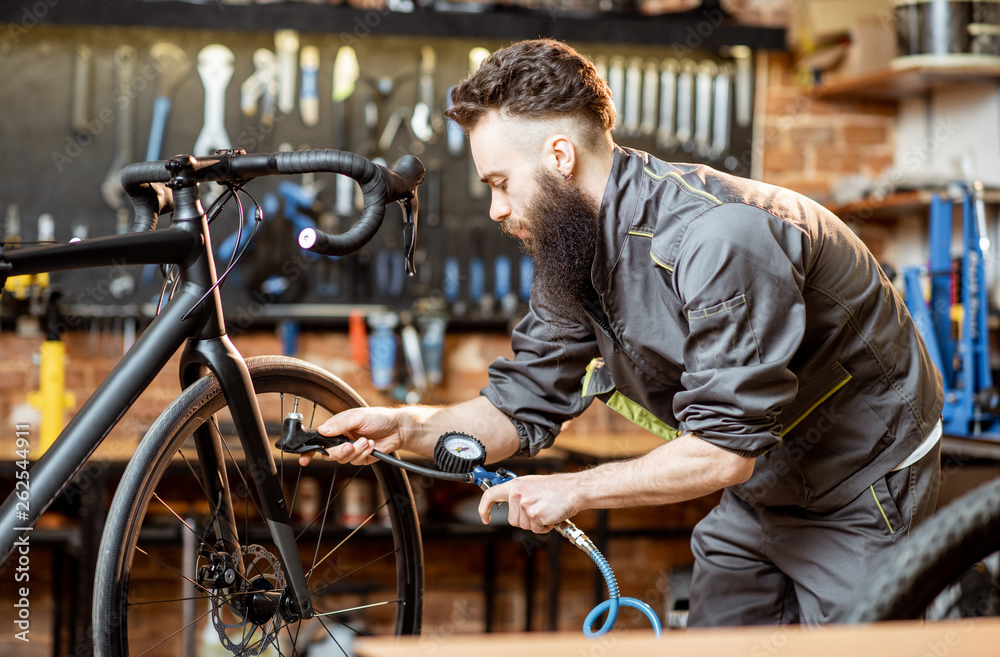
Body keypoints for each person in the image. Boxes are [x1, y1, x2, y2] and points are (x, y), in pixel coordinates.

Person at [302, 38, 944, 626]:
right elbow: (520, 403)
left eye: (500, 183)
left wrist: (575, 488)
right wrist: (406, 427)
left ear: (560, 156)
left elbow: (723, 449)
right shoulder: (571, 246)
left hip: (860, 476)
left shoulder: (719, 239)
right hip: (761, 482)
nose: (495, 208)